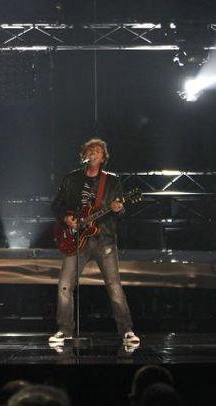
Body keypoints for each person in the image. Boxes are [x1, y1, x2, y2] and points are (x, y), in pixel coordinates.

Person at [48, 138, 139, 348]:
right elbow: (56, 206)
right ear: (84, 155)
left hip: (103, 239)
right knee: (64, 285)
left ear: (103, 157)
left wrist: (118, 209)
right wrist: (66, 218)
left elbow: (120, 212)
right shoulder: (72, 178)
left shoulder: (112, 181)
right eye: (90, 150)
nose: (93, 153)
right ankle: (64, 330)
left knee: (114, 286)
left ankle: (127, 330)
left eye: (97, 151)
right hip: (76, 239)